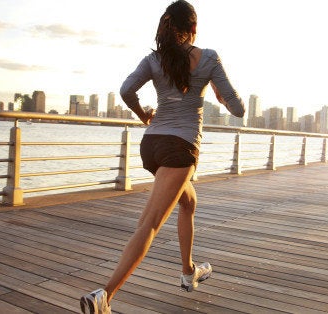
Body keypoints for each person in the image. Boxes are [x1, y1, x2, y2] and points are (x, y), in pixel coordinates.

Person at [80, 1, 244, 313]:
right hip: (179, 148)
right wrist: (222, 98)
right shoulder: (208, 58)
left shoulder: (155, 59)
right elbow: (239, 109)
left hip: (152, 145)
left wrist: (144, 115)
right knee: (149, 224)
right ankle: (104, 296)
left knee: (189, 202)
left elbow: (127, 89)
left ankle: (188, 271)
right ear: (194, 29)